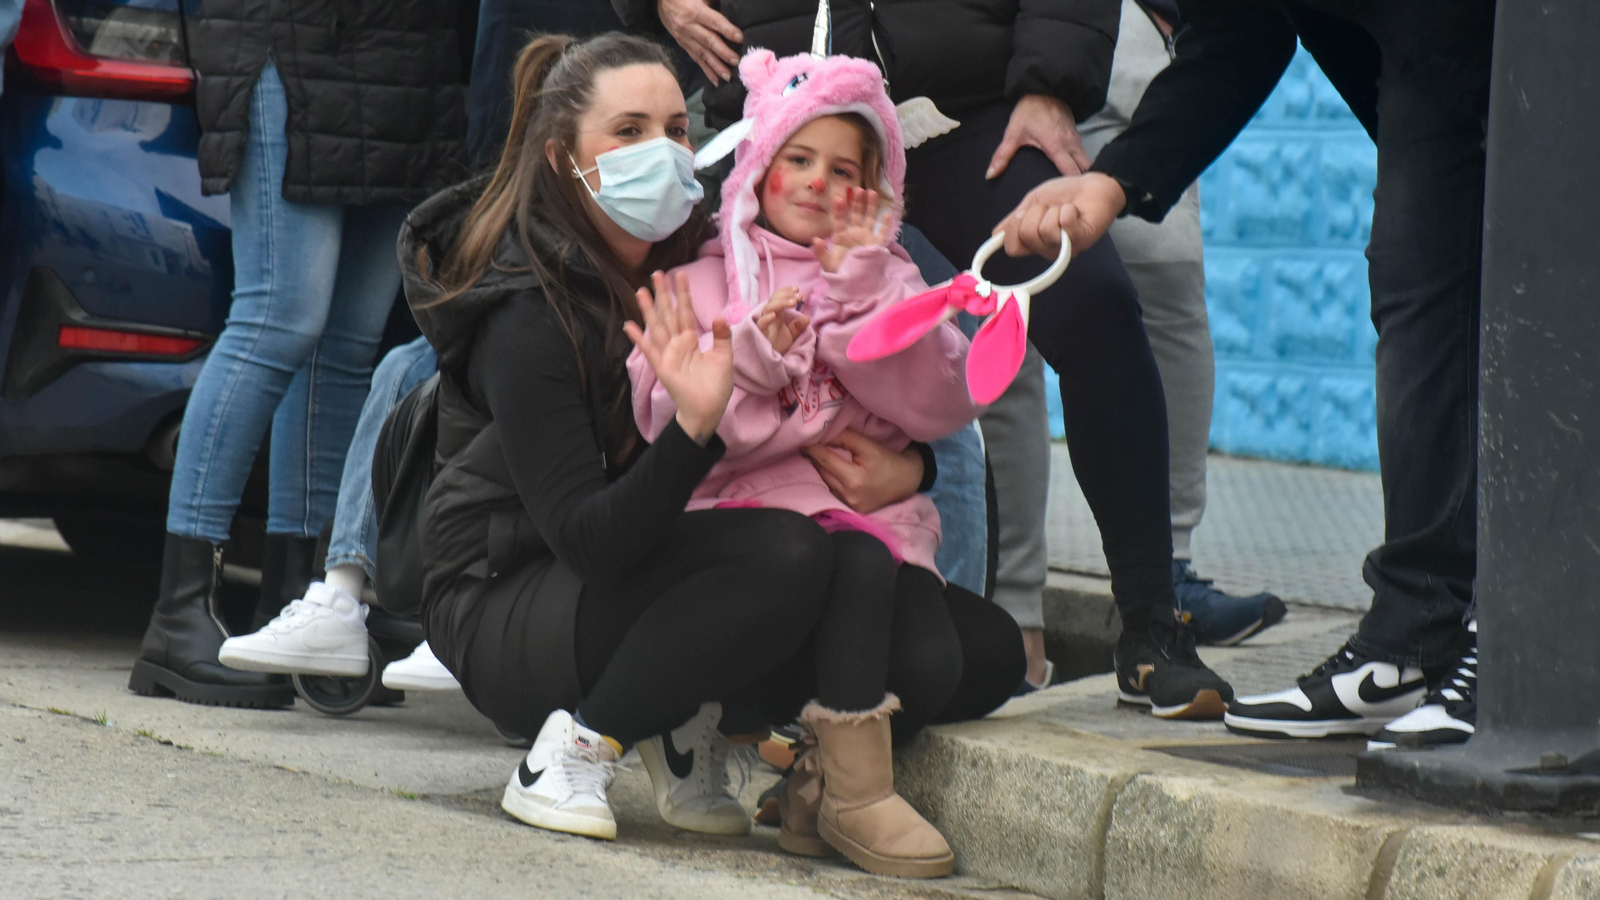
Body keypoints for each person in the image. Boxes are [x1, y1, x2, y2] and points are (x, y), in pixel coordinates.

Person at [396, 33, 1020, 863]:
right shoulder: (527, 314)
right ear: (562, 160)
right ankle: (577, 748)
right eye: (627, 132)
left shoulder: (703, 240)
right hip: (514, 591)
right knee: (791, 556)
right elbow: (592, 539)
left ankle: (786, 765)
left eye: (676, 130)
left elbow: (857, 390)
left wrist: (915, 468)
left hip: (662, 555)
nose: (661, 152)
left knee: (979, 649)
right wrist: (696, 426)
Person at [632, 0, 1234, 719]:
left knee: (1092, 297)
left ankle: (1150, 627)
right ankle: (650, 642)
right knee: (685, 328)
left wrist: (1051, 81)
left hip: (963, 103)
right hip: (777, 108)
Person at [996, 0, 1494, 746]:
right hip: (1430, 52)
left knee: (1541, 301)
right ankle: (1412, 641)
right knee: (1417, 284)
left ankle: (1525, 648)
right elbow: (1243, 30)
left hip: (1532, 41)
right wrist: (1116, 182)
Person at [627, 50, 993, 875]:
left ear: (879, 191)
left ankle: (809, 783)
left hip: (880, 529)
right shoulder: (708, 280)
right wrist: (752, 363)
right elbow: (667, 422)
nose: (818, 184)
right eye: (798, 159)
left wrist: (861, 296)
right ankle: (852, 798)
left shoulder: (890, 275)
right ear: (758, 166)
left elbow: (942, 403)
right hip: (768, 550)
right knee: (855, 558)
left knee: (962, 657)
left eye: (844, 171)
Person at [128, 0, 470, 708]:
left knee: (345, 343)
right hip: (295, 34)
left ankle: (300, 605)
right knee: (276, 319)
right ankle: (178, 613)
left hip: (414, 58)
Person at [1074, 0, 1285, 648]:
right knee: (1004, 313)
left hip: (1147, 27)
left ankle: (1171, 573)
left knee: (1166, 272)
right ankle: (1013, 602)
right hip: (1014, 42)